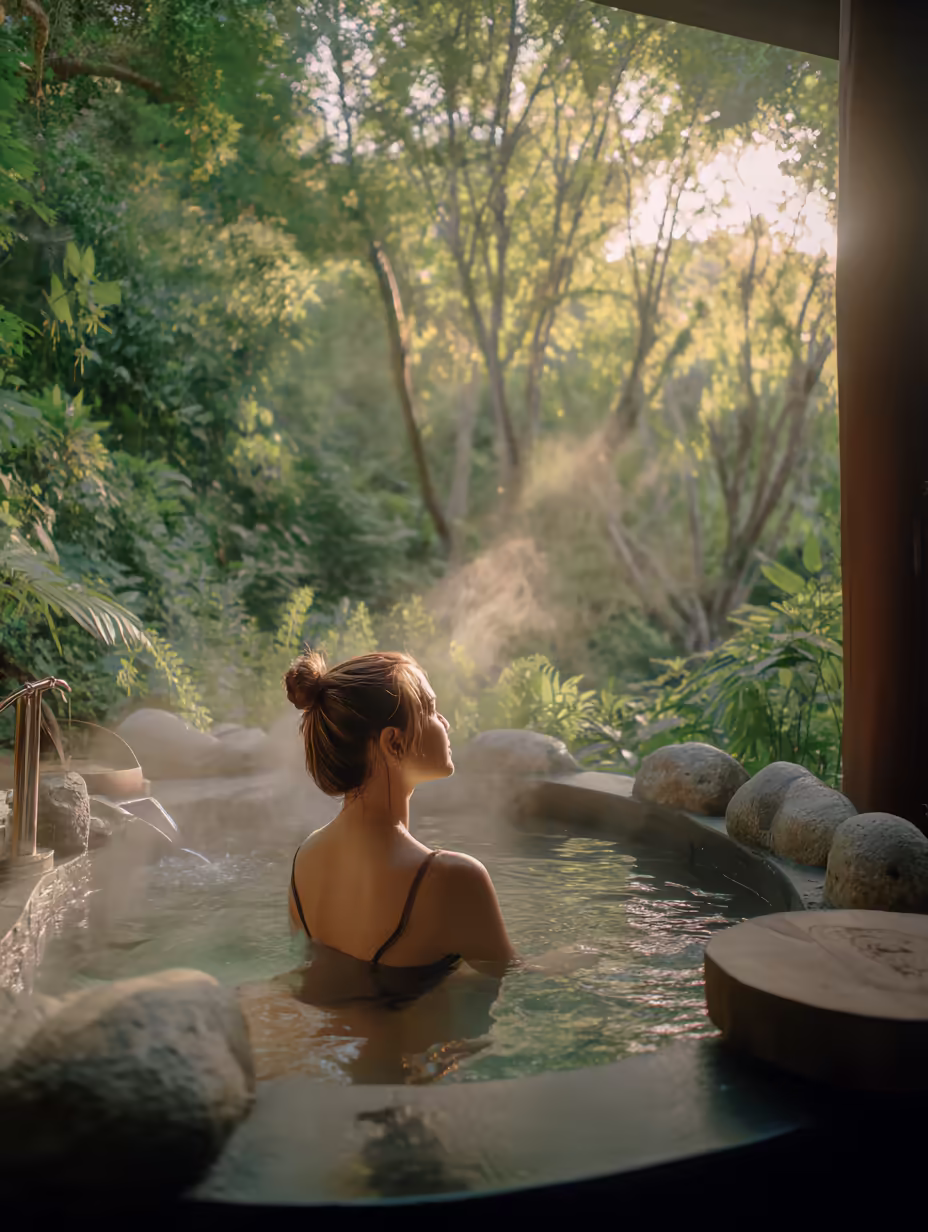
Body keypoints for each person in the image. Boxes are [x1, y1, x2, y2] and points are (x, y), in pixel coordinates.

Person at [285, 648, 518, 992]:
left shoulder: (304, 859)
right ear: (393, 742)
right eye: (432, 710)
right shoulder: (451, 878)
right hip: (412, 1046)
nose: (445, 722)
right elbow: (516, 981)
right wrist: (587, 955)